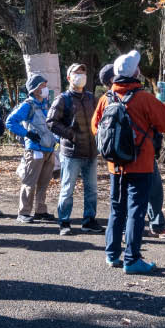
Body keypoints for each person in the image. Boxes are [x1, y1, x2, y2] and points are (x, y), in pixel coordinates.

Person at [93, 50, 165, 274]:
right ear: (135, 73)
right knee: (136, 211)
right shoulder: (144, 98)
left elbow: (95, 128)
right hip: (141, 163)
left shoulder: (106, 98)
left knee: (116, 209)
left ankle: (112, 255)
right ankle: (132, 259)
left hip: (115, 165)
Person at [48, 63, 101, 235]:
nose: (80, 76)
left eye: (83, 73)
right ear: (68, 77)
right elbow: (51, 122)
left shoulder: (92, 98)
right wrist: (70, 134)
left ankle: (89, 221)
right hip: (71, 153)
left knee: (92, 189)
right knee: (67, 189)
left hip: (91, 152)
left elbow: (100, 119)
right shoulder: (63, 99)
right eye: (76, 73)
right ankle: (64, 222)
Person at [6, 74, 57, 223]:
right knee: (29, 182)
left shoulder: (46, 104)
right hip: (34, 150)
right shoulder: (27, 105)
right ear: (34, 89)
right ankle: (23, 212)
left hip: (49, 150)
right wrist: (27, 133)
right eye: (42, 85)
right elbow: (10, 122)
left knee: (44, 182)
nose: (45, 88)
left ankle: (40, 211)